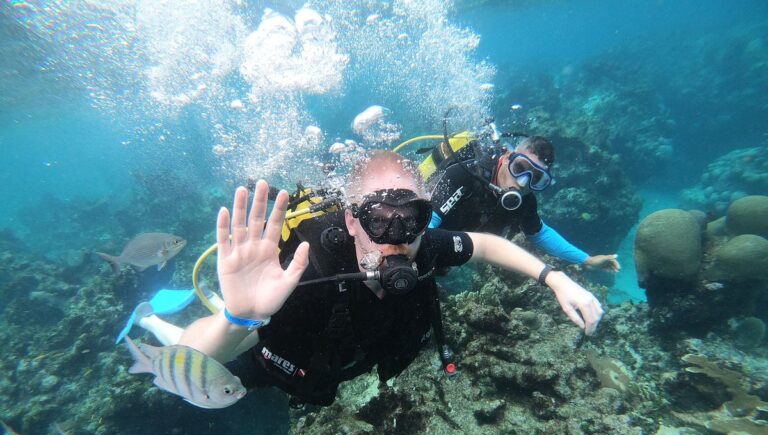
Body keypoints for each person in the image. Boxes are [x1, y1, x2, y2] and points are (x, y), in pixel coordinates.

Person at [173, 151, 603, 406]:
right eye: (378, 221)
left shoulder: (426, 243)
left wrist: (555, 279)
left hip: (358, 351)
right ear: (351, 220)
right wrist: (238, 317)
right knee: (212, 372)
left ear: (426, 215)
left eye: (411, 218)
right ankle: (158, 319)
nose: (396, 240)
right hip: (291, 361)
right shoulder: (306, 272)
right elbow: (194, 357)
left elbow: (487, 245)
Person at [425, 134, 621, 272]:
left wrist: (587, 260)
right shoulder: (464, 174)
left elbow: (540, 233)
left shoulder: (525, 202)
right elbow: (428, 221)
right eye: (519, 167)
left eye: (536, 179)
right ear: (506, 157)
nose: (522, 182)